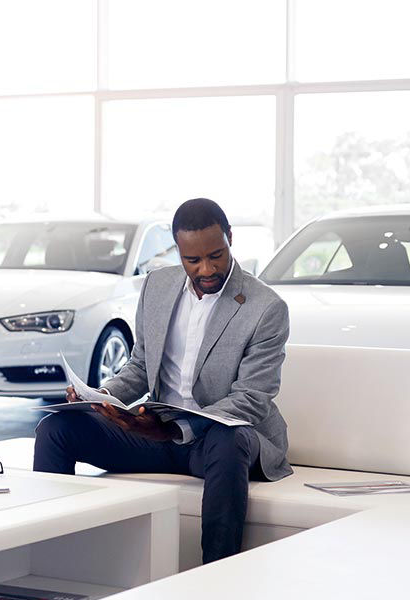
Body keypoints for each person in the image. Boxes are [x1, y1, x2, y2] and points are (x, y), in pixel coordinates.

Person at [33, 198, 292, 564]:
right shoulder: (157, 286)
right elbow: (140, 365)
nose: (206, 269)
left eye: (216, 255)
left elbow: (252, 398)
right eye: (193, 260)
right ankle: (47, 558)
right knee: (56, 428)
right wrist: (103, 396)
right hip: (158, 435)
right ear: (178, 252)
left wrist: (177, 429)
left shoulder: (265, 307)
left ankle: (216, 573)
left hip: (215, 441)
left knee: (228, 437)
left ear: (230, 238)